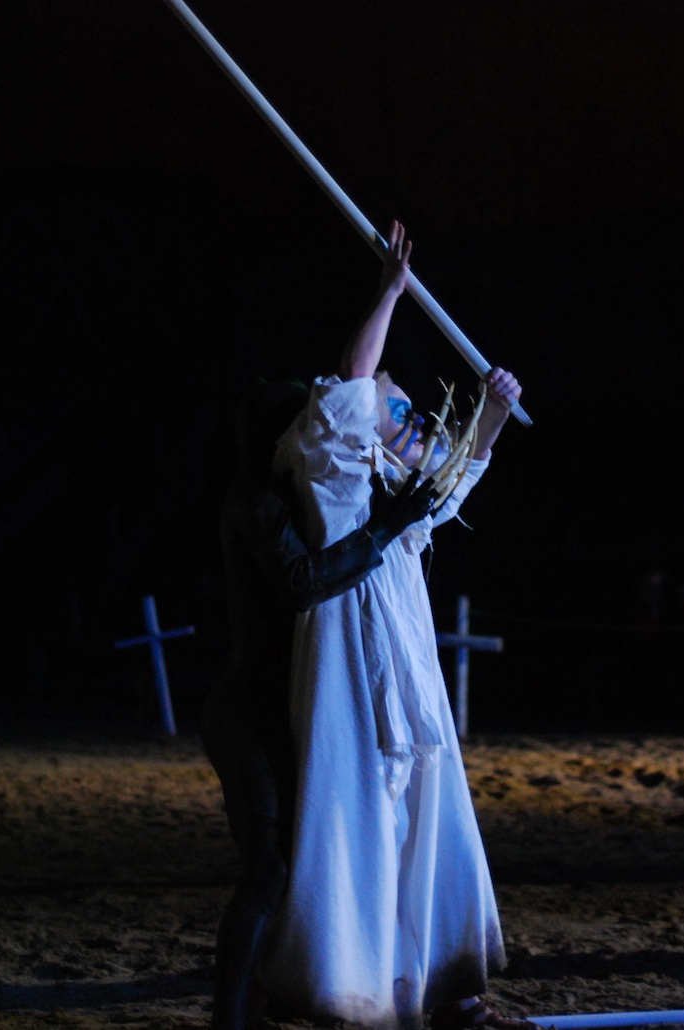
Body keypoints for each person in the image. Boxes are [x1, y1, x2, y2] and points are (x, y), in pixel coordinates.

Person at [260, 222, 533, 1030]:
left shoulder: (401, 503)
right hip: (349, 657)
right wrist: (388, 292)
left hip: (405, 663)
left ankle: (451, 990)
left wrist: (490, 413)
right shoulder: (333, 474)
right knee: (357, 819)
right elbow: (353, 385)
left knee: (429, 820)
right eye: (399, 409)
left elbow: (450, 484)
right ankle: (349, 991)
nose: (413, 420)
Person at [204, 379, 439, 1030]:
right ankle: (229, 1019)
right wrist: (387, 525)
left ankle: (265, 1001)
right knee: (268, 869)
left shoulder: (292, 497)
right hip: (250, 711)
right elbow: (300, 582)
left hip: (281, 705)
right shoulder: (255, 499)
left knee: (297, 862)